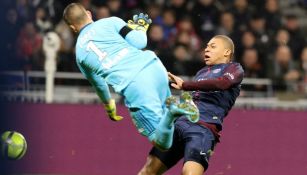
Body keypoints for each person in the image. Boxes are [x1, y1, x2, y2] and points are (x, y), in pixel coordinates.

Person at [62, 3, 199, 150]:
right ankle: (176, 106)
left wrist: (109, 106)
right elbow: (140, 42)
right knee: (165, 115)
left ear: (72, 27)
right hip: (154, 67)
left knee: (161, 143)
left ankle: (174, 110)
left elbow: (99, 84)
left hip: (135, 85)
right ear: (88, 14)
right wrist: (140, 28)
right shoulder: (111, 21)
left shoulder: (80, 54)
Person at [138, 35, 244, 175]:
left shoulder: (234, 68)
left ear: (226, 52)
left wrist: (185, 85)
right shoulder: (201, 73)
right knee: (148, 172)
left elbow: (222, 83)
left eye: (213, 46)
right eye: (206, 46)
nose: (207, 49)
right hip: (179, 126)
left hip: (202, 129)